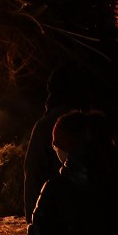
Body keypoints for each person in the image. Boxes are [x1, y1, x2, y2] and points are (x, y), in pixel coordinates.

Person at [23, 63, 96, 222]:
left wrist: (33, 219)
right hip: (92, 217)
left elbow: (33, 172)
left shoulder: (46, 125)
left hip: (56, 215)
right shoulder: (94, 122)